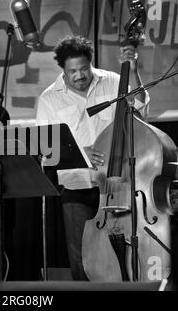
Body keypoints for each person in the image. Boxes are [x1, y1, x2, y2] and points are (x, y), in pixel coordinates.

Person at [36, 35, 149, 280]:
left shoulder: (113, 82)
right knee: (81, 259)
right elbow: (46, 150)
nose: (79, 75)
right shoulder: (49, 98)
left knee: (126, 254)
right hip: (76, 186)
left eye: (83, 69)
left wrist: (134, 71)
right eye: (72, 71)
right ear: (63, 70)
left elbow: (140, 108)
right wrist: (78, 152)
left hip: (117, 183)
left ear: (91, 63)